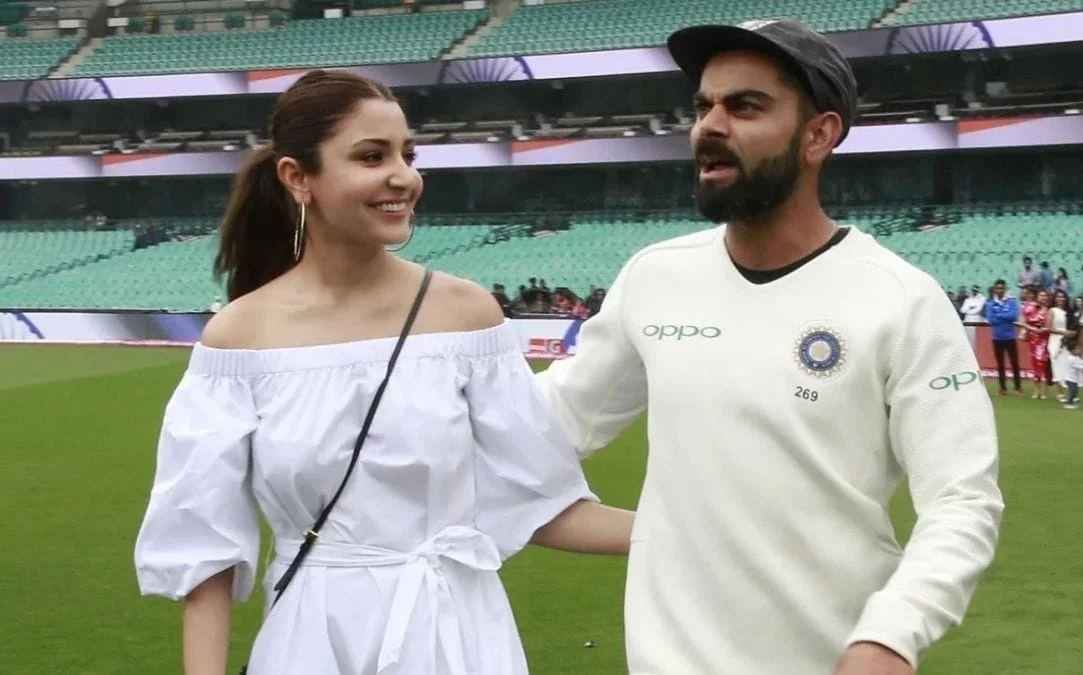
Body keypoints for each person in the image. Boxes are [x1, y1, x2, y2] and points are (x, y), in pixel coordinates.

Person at [533, 18, 1003, 675]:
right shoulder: (655, 277)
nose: (710, 125)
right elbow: (547, 423)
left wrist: (892, 635)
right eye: (703, 106)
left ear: (819, 135)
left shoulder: (901, 299)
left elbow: (963, 499)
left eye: (745, 106)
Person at [132, 70, 635, 675]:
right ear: (297, 177)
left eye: (407, 154)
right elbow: (205, 549)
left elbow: (545, 505)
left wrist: (702, 531)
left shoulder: (466, 315)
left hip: (456, 635)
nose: (403, 176)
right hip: (311, 640)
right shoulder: (238, 339)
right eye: (372, 156)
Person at [984, 279, 1022, 394]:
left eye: (1002, 288)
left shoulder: (1011, 302)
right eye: (998, 288)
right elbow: (991, 320)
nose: (1000, 290)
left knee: (1014, 363)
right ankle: (1002, 388)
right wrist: (1005, 316)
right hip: (997, 338)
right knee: (1000, 364)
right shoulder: (991, 304)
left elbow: (1013, 316)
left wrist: (999, 315)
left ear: (1005, 289)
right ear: (995, 290)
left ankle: (1017, 387)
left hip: (1010, 337)